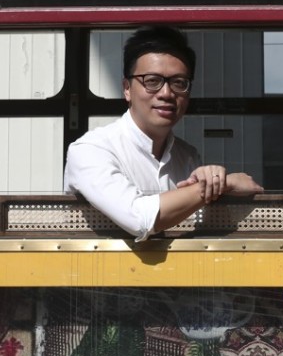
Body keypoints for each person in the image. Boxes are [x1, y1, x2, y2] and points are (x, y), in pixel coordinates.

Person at [64, 26, 262, 241]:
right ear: (127, 88)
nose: (166, 93)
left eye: (179, 83)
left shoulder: (187, 156)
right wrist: (221, 183)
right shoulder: (91, 150)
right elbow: (140, 220)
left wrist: (219, 185)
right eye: (152, 81)